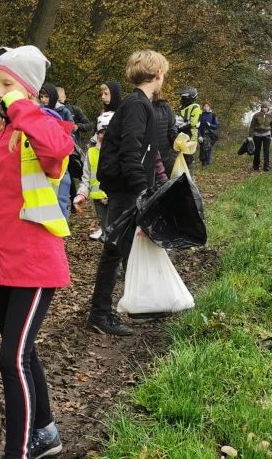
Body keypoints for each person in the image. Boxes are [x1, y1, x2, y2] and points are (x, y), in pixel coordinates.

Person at [0, 45, 73, 459]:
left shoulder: (45, 123)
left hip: (35, 264)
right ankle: (45, 433)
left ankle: (19, 450)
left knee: (12, 360)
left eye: (7, 84)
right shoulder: (1, 133)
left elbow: (57, 154)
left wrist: (20, 108)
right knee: (23, 354)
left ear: (28, 88)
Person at [89, 50, 171, 337]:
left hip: (128, 187)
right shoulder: (138, 105)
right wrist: (142, 189)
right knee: (114, 249)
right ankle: (100, 313)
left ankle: (140, 303)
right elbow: (130, 151)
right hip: (125, 189)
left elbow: (148, 152)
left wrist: (156, 182)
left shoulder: (139, 104)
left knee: (127, 248)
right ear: (158, 74)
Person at [37, 83, 75, 217]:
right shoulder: (37, 112)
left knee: (61, 197)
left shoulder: (64, 111)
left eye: (46, 96)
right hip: (41, 160)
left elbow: (70, 136)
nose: (43, 100)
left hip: (61, 159)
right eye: (41, 96)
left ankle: (62, 228)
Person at [75, 112, 114, 241]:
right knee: (105, 231)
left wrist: (108, 195)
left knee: (115, 230)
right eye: (102, 132)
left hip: (114, 199)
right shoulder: (91, 152)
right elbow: (86, 178)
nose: (105, 135)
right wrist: (81, 194)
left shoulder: (119, 151)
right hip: (98, 201)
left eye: (109, 131)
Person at [177, 87, 202, 172]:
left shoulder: (195, 107)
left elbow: (193, 123)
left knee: (188, 156)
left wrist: (179, 126)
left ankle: (190, 177)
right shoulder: (181, 106)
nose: (182, 98)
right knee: (179, 154)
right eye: (182, 97)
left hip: (191, 134)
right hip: (181, 134)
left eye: (184, 97)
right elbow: (178, 118)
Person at [250, 102, 272, 171]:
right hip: (257, 135)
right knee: (257, 151)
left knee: (266, 151)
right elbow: (252, 126)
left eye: (266, 107)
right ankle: (256, 166)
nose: (264, 109)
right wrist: (250, 136)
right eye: (263, 107)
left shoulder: (271, 116)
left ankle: (266, 166)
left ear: (268, 108)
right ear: (261, 108)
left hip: (267, 135)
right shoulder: (256, 115)